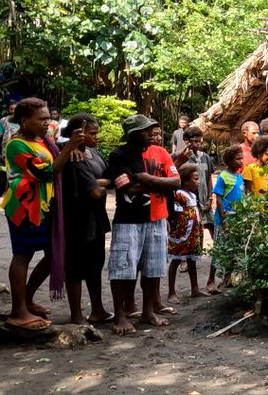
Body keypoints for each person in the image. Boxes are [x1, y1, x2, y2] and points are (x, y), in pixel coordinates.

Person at [1, 98, 84, 329]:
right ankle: (18, 311)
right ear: (24, 120)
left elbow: (57, 158)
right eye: (42, 119)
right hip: (24, 207)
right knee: (23, 255)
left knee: (53, 254)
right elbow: (46, 173)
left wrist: (70, 150)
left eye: (48, 118)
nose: (47, 122)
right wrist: (67, 149)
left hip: (45, 206)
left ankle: (26, 299)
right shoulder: (16, 145)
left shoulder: (43, 139)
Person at [104, 114, 179, 335]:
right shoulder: (119, 155)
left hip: (155, 218)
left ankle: (148, 311)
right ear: (134, 134)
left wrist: (145, 179)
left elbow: (175, 182)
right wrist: (158, 184)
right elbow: (128, 188)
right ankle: (120, 315)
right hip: (128, 219)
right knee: (122, 267)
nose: (153, 135)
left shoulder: (157, 153)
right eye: (147, 131)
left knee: (153, 266)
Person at [59, 114, 113, 326]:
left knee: (95, 265)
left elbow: (112, 178)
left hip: (96, 218)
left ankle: (97, 309)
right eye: (93, 133)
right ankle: (76, 314)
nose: (97, 137)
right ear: (78, 134)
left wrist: (98, 182)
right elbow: (94, 193)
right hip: (76, 219)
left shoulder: (93, 153)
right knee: (75, 268)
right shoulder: (71, 157)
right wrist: (100, 185)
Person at [173, 126, 216, 276]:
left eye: (200, 141)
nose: (198, 144)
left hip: (206, 200)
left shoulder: (205, 157)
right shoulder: (184, 158)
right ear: (186, 141)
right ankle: (184, 260)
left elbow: (209, 178)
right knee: (188, 230)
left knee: (211, 226)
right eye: (195, 141)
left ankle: (218, 255)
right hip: (190, 202)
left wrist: (210, 198)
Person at [167, 164, 207, 304]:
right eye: (195, 178)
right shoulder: (179, 195)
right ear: (185, 180)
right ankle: (171, 292)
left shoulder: (191, 195)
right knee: (176, 260)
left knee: (191, 260)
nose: (198, 181)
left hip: (193, 234)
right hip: (182, 234)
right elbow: (176, 214)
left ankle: (195, 289)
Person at [210, 146, 245, 292]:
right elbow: (218, 199)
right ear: (229, 161)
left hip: (236, 219)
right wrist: (223, 218)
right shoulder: (223, 176)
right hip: (224, 219)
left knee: (232, 249)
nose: (241, 161)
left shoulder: (239, 176)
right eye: (238, 159)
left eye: (242, 158)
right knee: (219, 249)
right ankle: (210, 280)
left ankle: (227, 278)